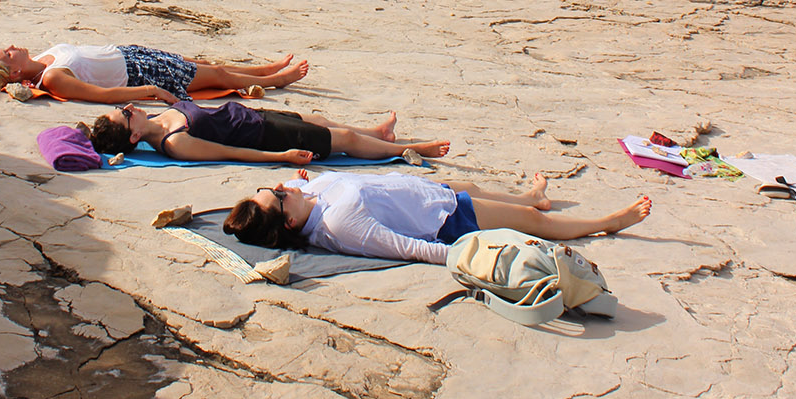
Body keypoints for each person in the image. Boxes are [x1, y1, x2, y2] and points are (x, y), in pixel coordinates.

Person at [222, 170, 652, 263]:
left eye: (274, 186)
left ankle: (531, 195)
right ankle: (608, 223)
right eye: (279, 195)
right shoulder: (340, 225)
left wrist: (300, 182)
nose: (283, 187)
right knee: (534, 223)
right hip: (445, 219)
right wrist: (456, 256)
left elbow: (300, 184)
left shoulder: (306, 196)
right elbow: (404, 248)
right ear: (289, 222)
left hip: (425, 193)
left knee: (475, 186)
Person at [89, 102, 451, 166]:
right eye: (125, 114)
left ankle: (378, 133)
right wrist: (281, 157)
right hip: (267, 136)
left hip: (254, 116)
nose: (129, 107)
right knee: (345, 142)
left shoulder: (155, 118)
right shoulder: (175, 142)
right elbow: (230, 153)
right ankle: (412, 148)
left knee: (319, 120)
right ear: (134, 137)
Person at [0, 42, 308, 104]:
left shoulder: (40, 58)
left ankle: (265, 70)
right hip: (140, 73)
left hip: (131, 54)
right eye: (7, 54)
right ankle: (276, 80)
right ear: (14, 71)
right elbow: (104, 95)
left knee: (206, 65)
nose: (11, 47)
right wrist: (150, 91)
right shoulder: (52, 78)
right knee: (218, 75)